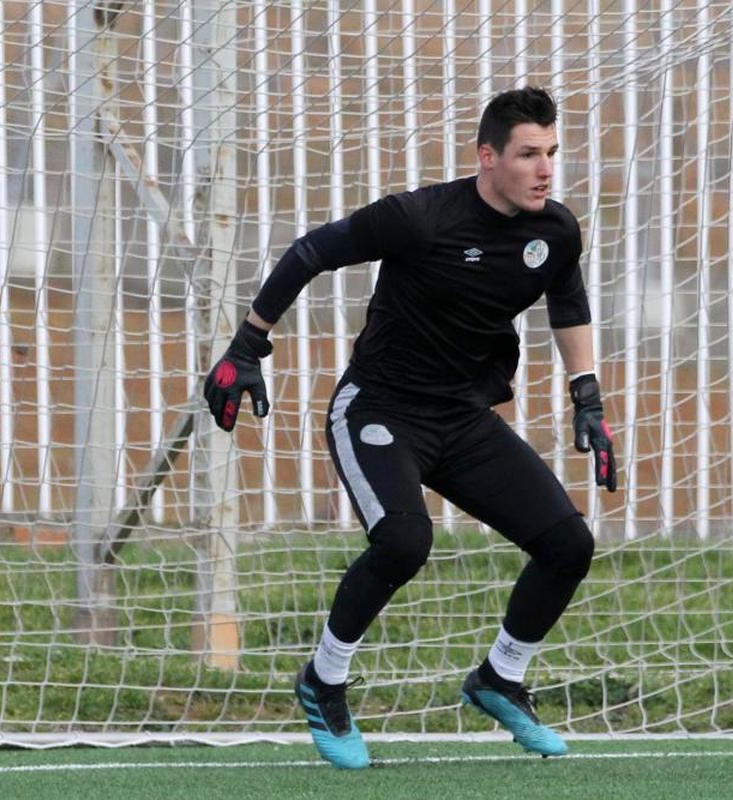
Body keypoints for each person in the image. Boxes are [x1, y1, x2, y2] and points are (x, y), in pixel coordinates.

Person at [203, 86, 617, 769]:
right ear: (488, 157)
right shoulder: (419, 219)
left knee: (569, 544)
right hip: (378, 410)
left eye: (551, 153)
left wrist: (588, 398)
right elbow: (312, 250)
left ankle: (499, 676)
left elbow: (567, 300)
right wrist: (247, 347)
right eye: (527, 155)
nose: (545, 169)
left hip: (461, 418)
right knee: (403, 540)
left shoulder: (555, 230)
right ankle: (323, 679)